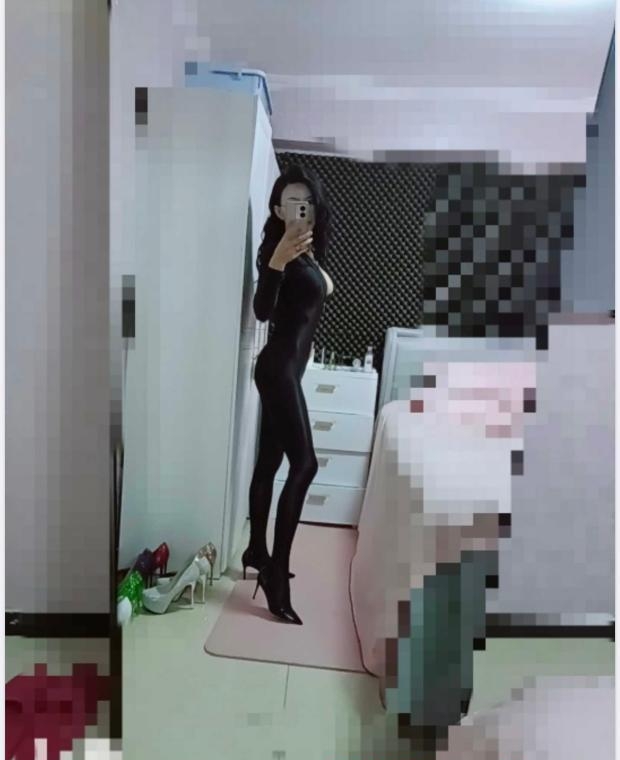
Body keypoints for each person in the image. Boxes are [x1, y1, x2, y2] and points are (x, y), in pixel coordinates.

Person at [243, 164, 333, 625]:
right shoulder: (278, 253)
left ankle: (256, 550)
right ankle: (276, 573)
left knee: (270, 463)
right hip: (278, 370)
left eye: (308, 201)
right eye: (293, 201)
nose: (302, 207)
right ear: (278, 209)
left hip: (287, 371)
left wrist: (297, 256)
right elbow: (262, 310)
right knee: (306, 464)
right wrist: (277, 262)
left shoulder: (307, 252)